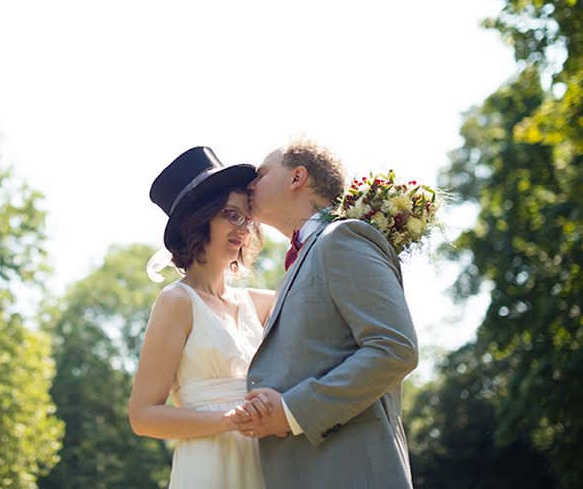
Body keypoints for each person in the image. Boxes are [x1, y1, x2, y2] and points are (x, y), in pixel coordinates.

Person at [231, 138, 419, 488]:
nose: (250, 185)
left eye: (261, 174)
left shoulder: (343, 237)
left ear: (297, 177)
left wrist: (290, 413)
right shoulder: (303, 260)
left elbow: (395, 349)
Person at [128, 146, 276, 489]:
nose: (243, 228)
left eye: (247, 218)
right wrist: (229, 421)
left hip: (266, 462)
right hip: (208, 465)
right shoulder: (177, 301)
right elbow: (143, 416)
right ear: (199, 219)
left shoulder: (260, 303)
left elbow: (318, 292)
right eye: (231, 214)